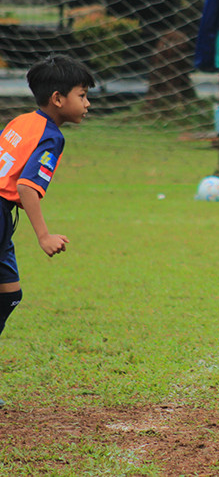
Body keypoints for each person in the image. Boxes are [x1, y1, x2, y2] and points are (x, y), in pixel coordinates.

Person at [0, 55, 94, 405]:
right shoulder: (51, 137)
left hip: (4, 217)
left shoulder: (22, 121)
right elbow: (26, 185)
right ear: (58, 98)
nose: (87, 103)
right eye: (82, 95)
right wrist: (44, 236)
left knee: (9, 294)